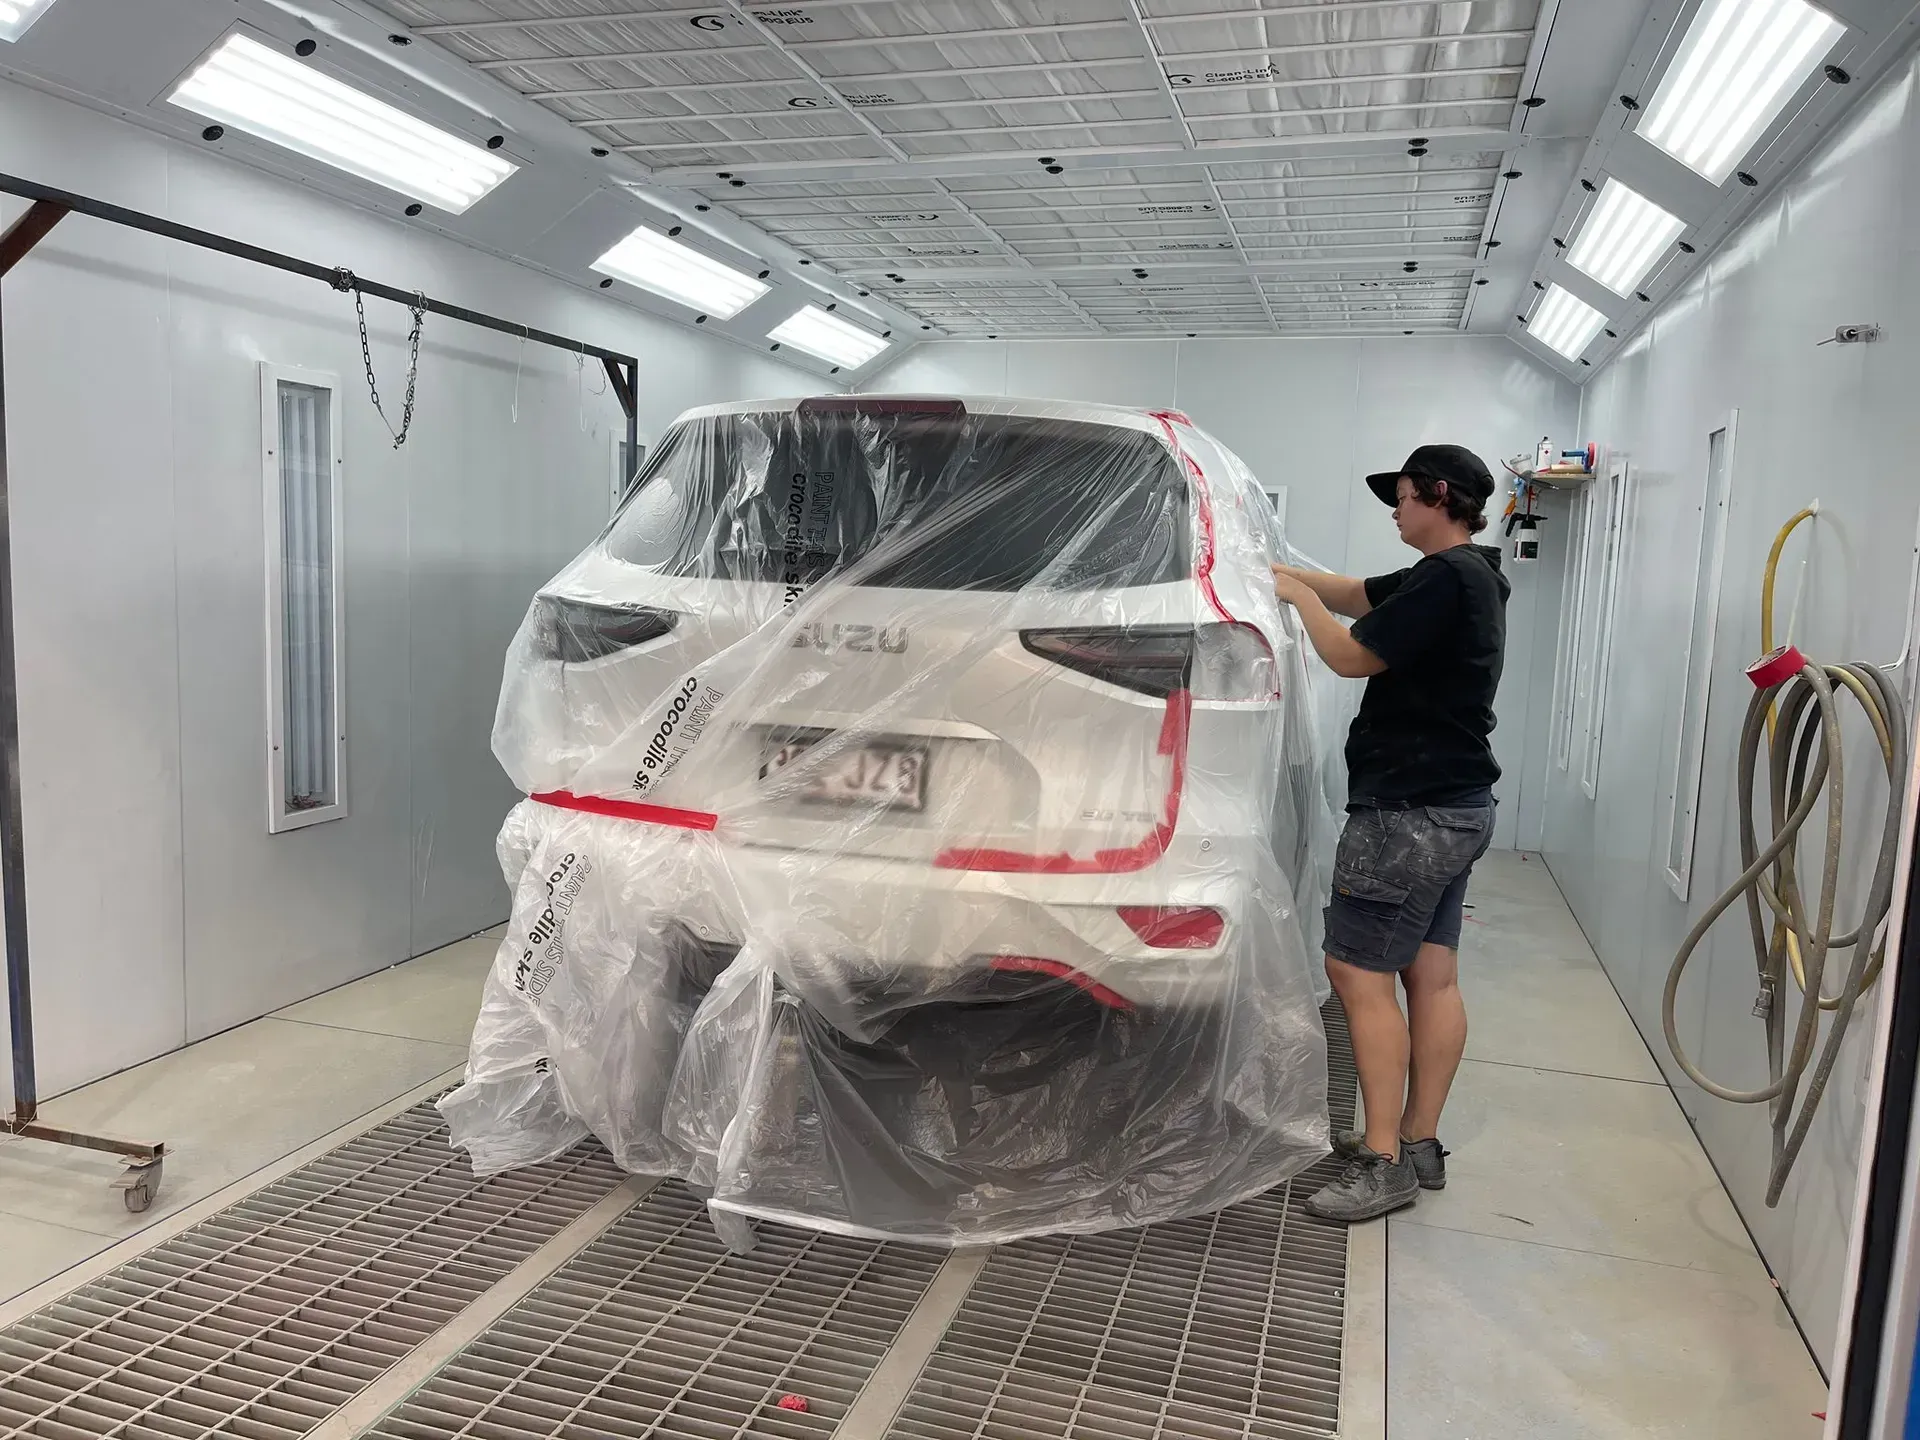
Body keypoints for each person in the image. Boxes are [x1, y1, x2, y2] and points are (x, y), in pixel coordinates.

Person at [1270, 444, 1510, 1223]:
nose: (1395, 512)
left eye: (1402, 499)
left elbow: (1347, 653)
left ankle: (1380, 1163)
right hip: (1458, 806)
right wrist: (1270, 569)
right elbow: (1348, 592)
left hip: (1407, 817)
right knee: (1429, 976)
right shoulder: (1466, 574)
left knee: (1357, 977)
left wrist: (1294, 604)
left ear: (1438, 495)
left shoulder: (1445, 583)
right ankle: (1418, 1140)